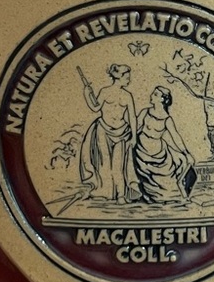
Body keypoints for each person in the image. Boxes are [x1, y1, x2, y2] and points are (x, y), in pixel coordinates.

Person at [79, 64, 140, 202]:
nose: (129, 79)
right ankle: (104, 192)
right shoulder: (105, 92)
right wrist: (87, 94)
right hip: (103, 130)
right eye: (126, 76)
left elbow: (132, 118)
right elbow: (95, 108)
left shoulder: (127, 95)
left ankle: (121, 195)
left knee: (119, 165)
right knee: (104, 163)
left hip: (122, 133)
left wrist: (134, 137)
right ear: (118, 76)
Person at [134, 86, 194, 203]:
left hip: (158, 151)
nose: (151, 95)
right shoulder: (145, 112)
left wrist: (186, 153)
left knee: (167, 179)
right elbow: (135, 128)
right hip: (141, 149)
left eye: (155, 94)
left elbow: (175, 137)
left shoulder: (167, 119)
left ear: (162, 99)